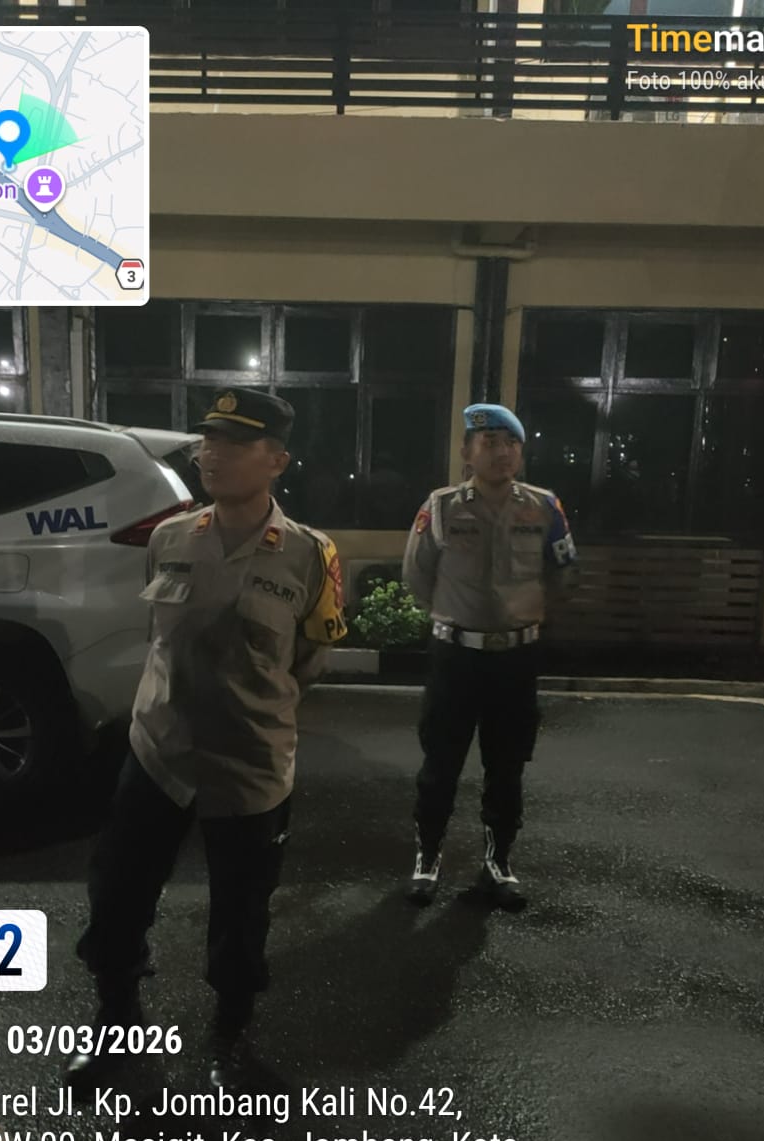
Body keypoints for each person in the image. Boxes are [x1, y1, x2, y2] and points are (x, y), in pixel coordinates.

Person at [68, 389, 346, 1092]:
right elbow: (162, 639)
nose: (210, 455)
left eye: (233, 444)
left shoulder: (310, 555)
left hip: (250, 763)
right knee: (118, 894)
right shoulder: (170, 537)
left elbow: (310, 660)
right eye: (207, 441)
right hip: (158, 750)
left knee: (241, 911)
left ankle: (231, 1035)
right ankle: (116, 1025)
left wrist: (249, 704)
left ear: (277, 460)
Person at [401, 403, 577, 910]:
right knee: (440, 765)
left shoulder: (544, 507)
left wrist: (523, 614)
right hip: (455, 658)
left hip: (515, 661)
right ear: (467, 452)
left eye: (511, 443)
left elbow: (564, 572)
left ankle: (498, 863)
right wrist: (457, 616)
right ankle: (427, 858)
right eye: (490, 442)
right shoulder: (441, 507)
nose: (502, 452)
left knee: (507, 766)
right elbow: (417, 575)